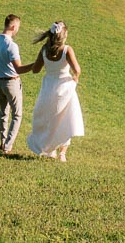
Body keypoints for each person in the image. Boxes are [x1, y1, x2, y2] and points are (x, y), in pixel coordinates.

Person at [25, 20, 85, 161]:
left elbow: (36, 70)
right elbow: (77, 69)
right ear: (63, 35)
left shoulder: (44, 50)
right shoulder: (66, 50)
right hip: (64, 88)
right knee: (65, 120)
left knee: (49, 120)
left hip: (48, 88)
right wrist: (75, 78)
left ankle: (49, 149)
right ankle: (62, 153)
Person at [0, 13, 35, 154]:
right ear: (13, 27)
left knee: (3, 112)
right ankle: (8, 146)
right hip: (11, 83)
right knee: (17, 114)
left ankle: (2, 141)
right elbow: (19, 68)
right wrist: (35, 65)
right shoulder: (11, 46)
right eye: (18, 27)